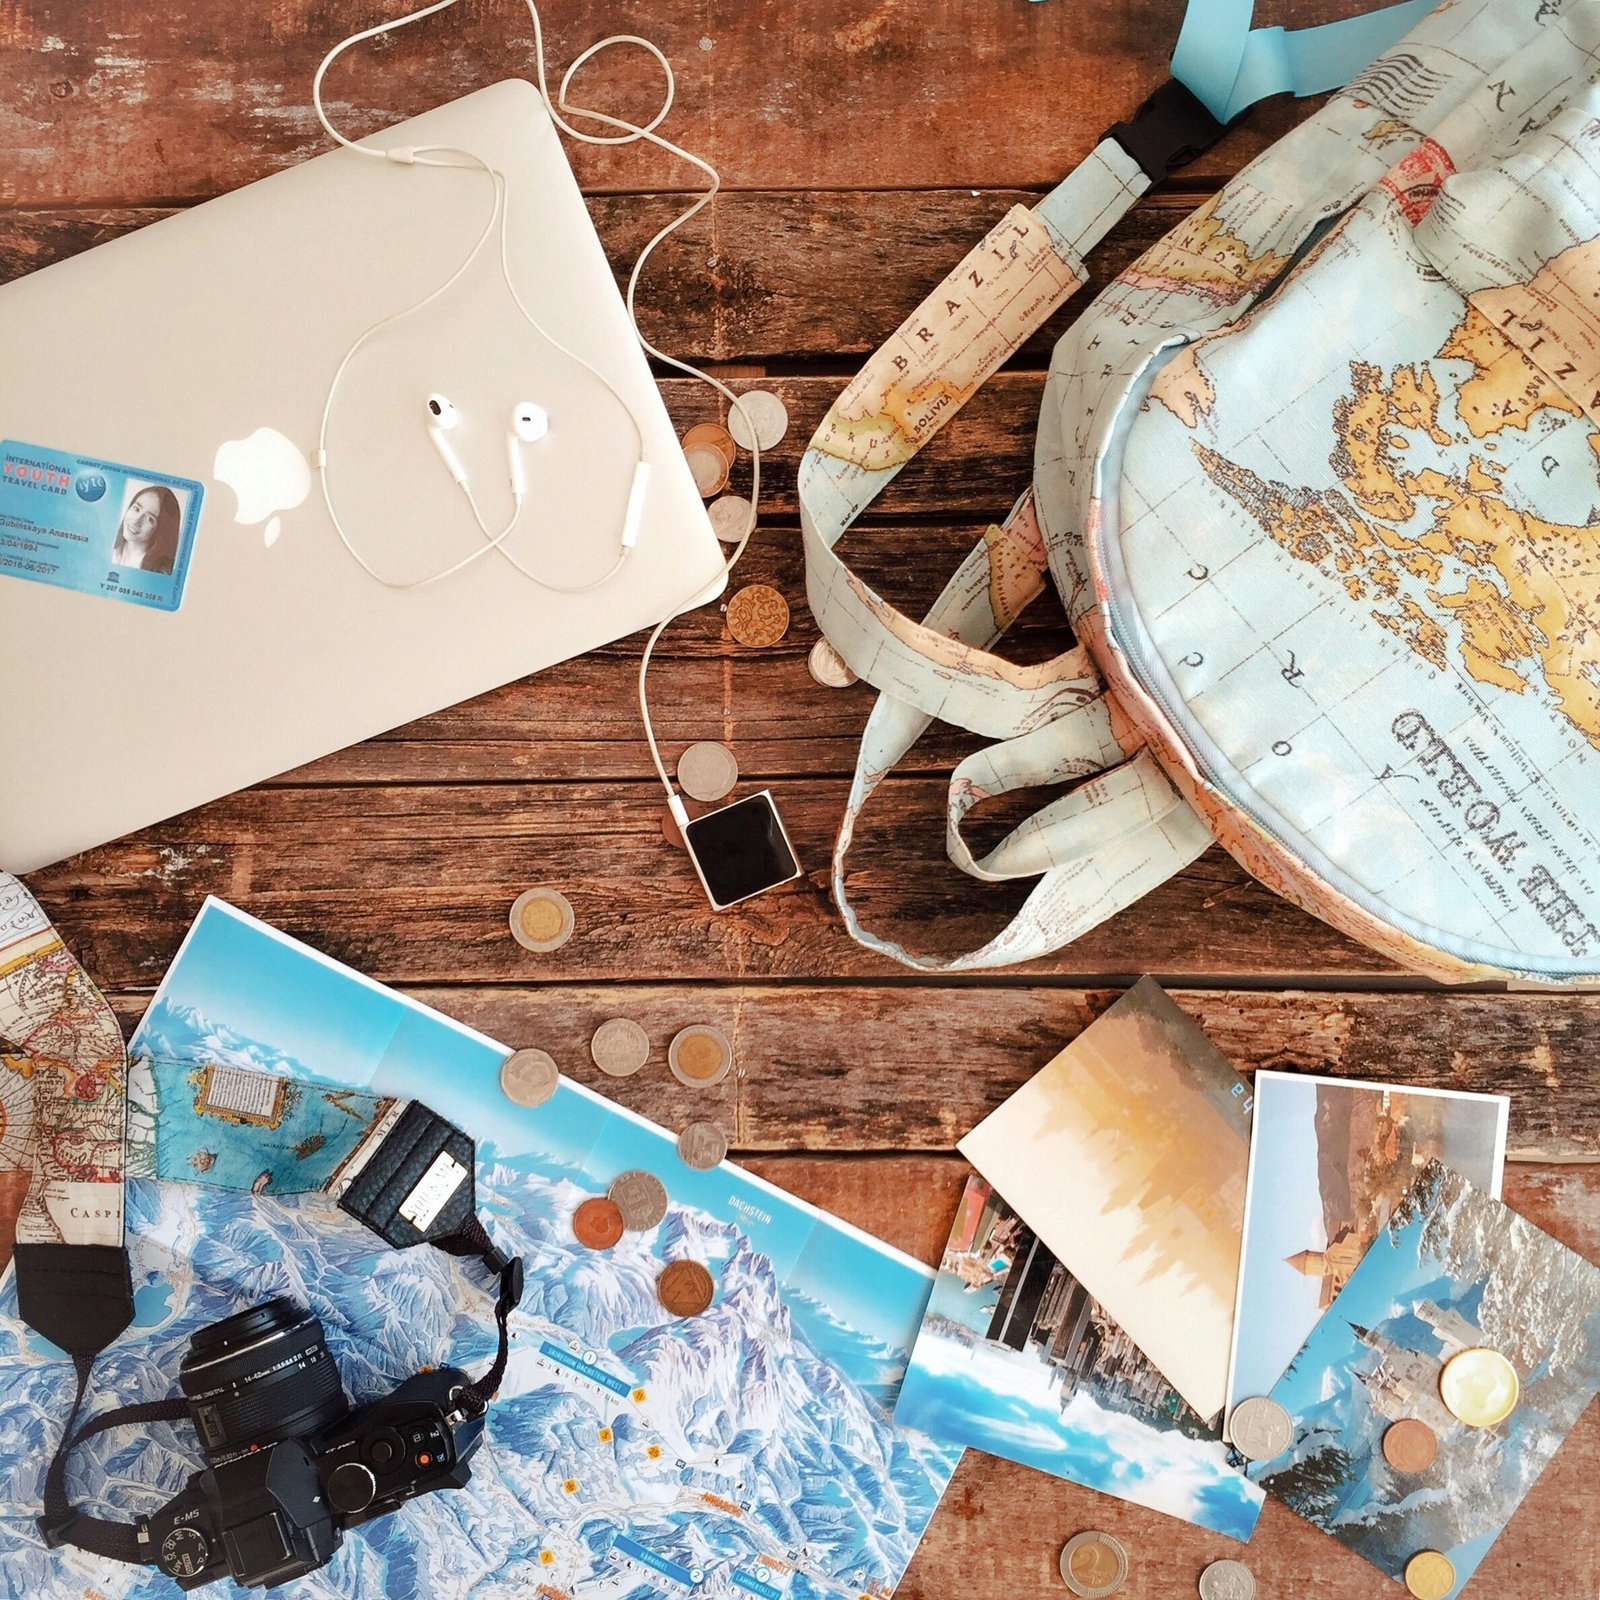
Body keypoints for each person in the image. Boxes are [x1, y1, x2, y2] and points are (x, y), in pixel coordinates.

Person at [111, 484, 182, 575]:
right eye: (136, 509)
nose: (136, 521)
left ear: (160, 531)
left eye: (150, 519)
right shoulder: (109, 546)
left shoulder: (159, 574)